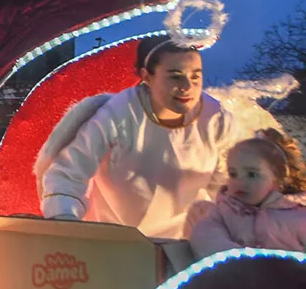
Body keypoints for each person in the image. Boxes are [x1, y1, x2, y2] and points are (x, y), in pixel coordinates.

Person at [38, 35, 237, 238]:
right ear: (147, 76)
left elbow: (227, 184)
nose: (187, 86)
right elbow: (68, 173)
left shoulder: (215, 119)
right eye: (175, 76)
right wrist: (66, 224)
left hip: (189, 243)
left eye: (195, 76)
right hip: (116, 241)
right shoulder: (119, 114)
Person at [189, 129, 306, 258]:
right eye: (233, 174)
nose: (239, 182)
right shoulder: (224, 212)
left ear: (278, 177)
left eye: (252, 175)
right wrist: (242, 260)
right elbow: (205, 237)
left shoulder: (298, 217)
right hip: (237, 275)